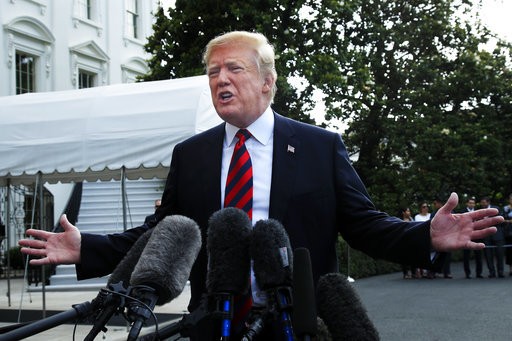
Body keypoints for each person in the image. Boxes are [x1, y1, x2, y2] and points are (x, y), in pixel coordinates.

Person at [19, 31, 502, 340]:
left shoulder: (319, 146)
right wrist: (89, 248)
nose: (220, 80)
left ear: (268, 81)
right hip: (215, 322)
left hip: (298, 323)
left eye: (234, 69)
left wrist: (426, 237)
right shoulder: (192, 155)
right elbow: (162, 233)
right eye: (212, 73)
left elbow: (363, 226)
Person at [480, 196, 504, 278]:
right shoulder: (480, 211)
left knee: (499, 254)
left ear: (488, 202)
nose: (483, 204)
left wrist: (488, 221)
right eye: (482, 203)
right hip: (486, 235)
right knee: (488, 255)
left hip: (497, 235)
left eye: (484, 202)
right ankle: (491, 272)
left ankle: (500, 271)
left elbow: (500, 219)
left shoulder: (496, 209)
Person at [460, 197, 483, 279]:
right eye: (470, 203)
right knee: (466, 255)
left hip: (476, 234)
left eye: (473, 203)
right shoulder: (462, 212)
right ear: (467, 203)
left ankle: (479, 273)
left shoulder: (478, 211)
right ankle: (467, 273)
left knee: (478, 255)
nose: (471, 204)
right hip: (466, 235)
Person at [430, 197, 452, 279]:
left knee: (447, 255)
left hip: (447, 236)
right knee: (435, 255)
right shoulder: (433, 213)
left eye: (435, 203)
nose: (434, 205)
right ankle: (432, 272)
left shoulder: (450, 212)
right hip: (437, 236)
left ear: (440, 203)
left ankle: (447, 272)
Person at [502, 194, 512, 276]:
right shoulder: (506, 208)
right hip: (509, 233)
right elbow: (503, 219)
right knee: (509, 251)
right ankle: (511, 269)